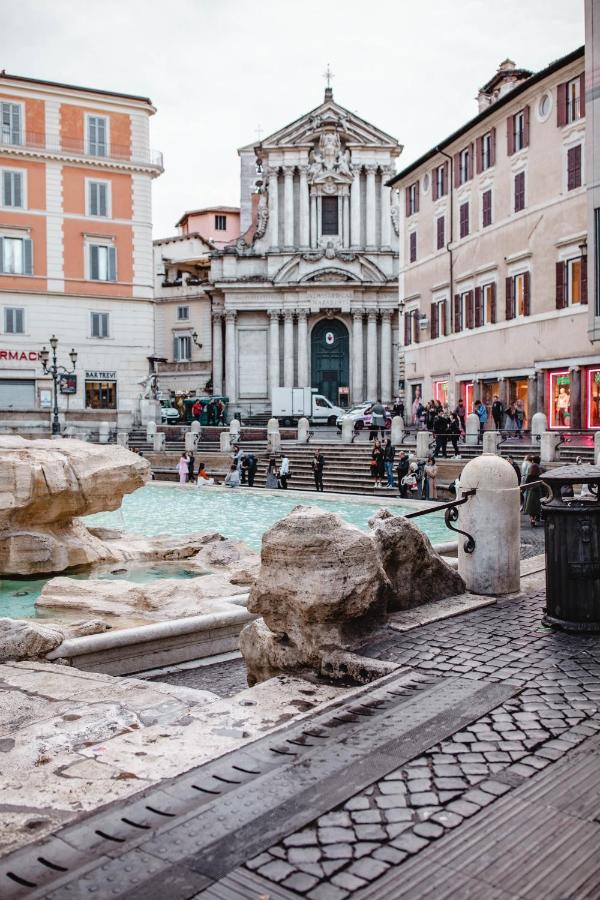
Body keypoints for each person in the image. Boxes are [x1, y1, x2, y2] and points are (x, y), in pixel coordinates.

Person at [524, 455, 544, 526]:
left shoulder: (531, 467)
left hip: (531, 489)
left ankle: (532, 519)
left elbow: (528, 479)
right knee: (537, 505)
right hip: (538, 489)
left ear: (533, 461)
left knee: (530, 506)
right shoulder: (541, 468)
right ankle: (535, 518)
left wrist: (525, 488)